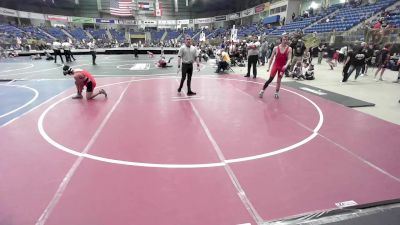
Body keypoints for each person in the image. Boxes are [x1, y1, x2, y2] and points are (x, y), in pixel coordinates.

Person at [259, 33, 292, 99]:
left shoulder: (289, 49)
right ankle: (262, 91)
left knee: (279, 81)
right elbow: (271, 58)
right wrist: (268, 67)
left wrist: (286, 65)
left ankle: (276, 93)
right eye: (284, 39)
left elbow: (289, 59)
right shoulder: (276, 48)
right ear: (281, 40)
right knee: (270, 79)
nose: (285, 41)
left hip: (282, 67)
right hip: (275, 65)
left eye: (286, 40)